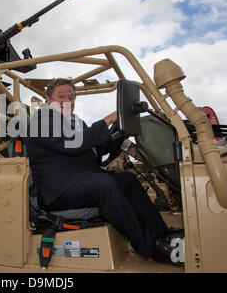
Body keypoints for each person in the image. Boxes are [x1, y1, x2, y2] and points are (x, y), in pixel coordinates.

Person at [24, 78, 183, 264]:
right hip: (58, 190)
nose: (68, 101)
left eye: (72, 97)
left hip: (79, 180)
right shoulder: (43, 120)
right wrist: (109, 119)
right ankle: (149, 246)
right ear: (48, 99)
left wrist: (116, 136)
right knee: (104, 185)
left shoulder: (76, 123)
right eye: (61, 97)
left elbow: (92, 153)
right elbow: (74, 145)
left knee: (127, 180)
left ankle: (161, 234)